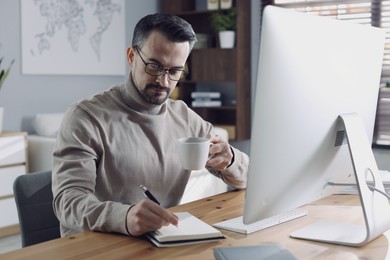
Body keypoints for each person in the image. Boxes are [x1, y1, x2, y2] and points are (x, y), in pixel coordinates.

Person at [52, 13, 249, 237]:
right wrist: (123, 218)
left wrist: (231, 159)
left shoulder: (184, 116)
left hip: (157, 241)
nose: (163, 82)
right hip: (95, 245)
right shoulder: (85, 117)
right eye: (154, 66)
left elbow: (248, 179)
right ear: (131, 56)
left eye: (175, 71)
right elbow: (67, 202)